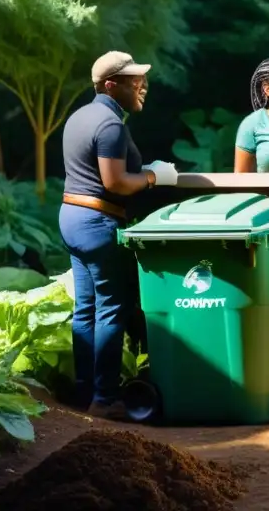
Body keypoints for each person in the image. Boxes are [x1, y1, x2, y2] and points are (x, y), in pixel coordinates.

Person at [59, 51, 178, 420]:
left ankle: (84, 393)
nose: (142, 85)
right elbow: (115, 182)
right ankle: (105, 398)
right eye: (133, 81)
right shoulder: (111, 125)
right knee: (112, 308)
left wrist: (141, 169)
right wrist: (155, 176)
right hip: (97, 222)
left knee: (86, 310)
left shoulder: (80, 117)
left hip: (72, 217)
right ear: (111, 86)